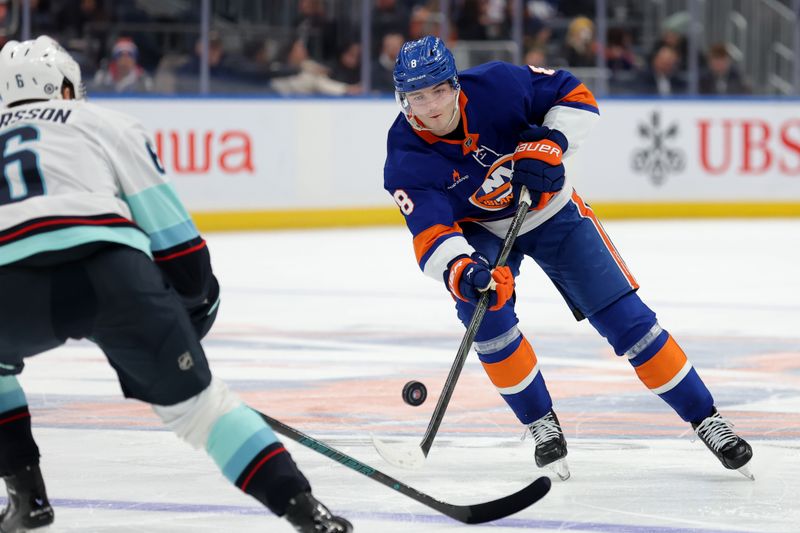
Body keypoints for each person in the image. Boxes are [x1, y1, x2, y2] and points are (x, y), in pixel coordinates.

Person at [0, 36, 352, 533]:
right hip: (108, 271)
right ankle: (309, 515)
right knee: (203, 411)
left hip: (6, 285)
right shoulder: (103, 122)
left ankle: (26, 496)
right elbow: (177, 244)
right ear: (62, 87)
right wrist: (193, 311)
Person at [383, 36, 753, 481]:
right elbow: (431, 233)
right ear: (403, 99)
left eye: (439, 90)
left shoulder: (499, 84)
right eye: (418, 96)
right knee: (487, 321)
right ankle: (540, 422)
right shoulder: (405, 156)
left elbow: (574, 94)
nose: (432, 106)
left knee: (628, 320)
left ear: (455, 84)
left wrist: (553, 141)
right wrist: (463, 271)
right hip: (478, 231)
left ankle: (705, 418)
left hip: (552, 211)